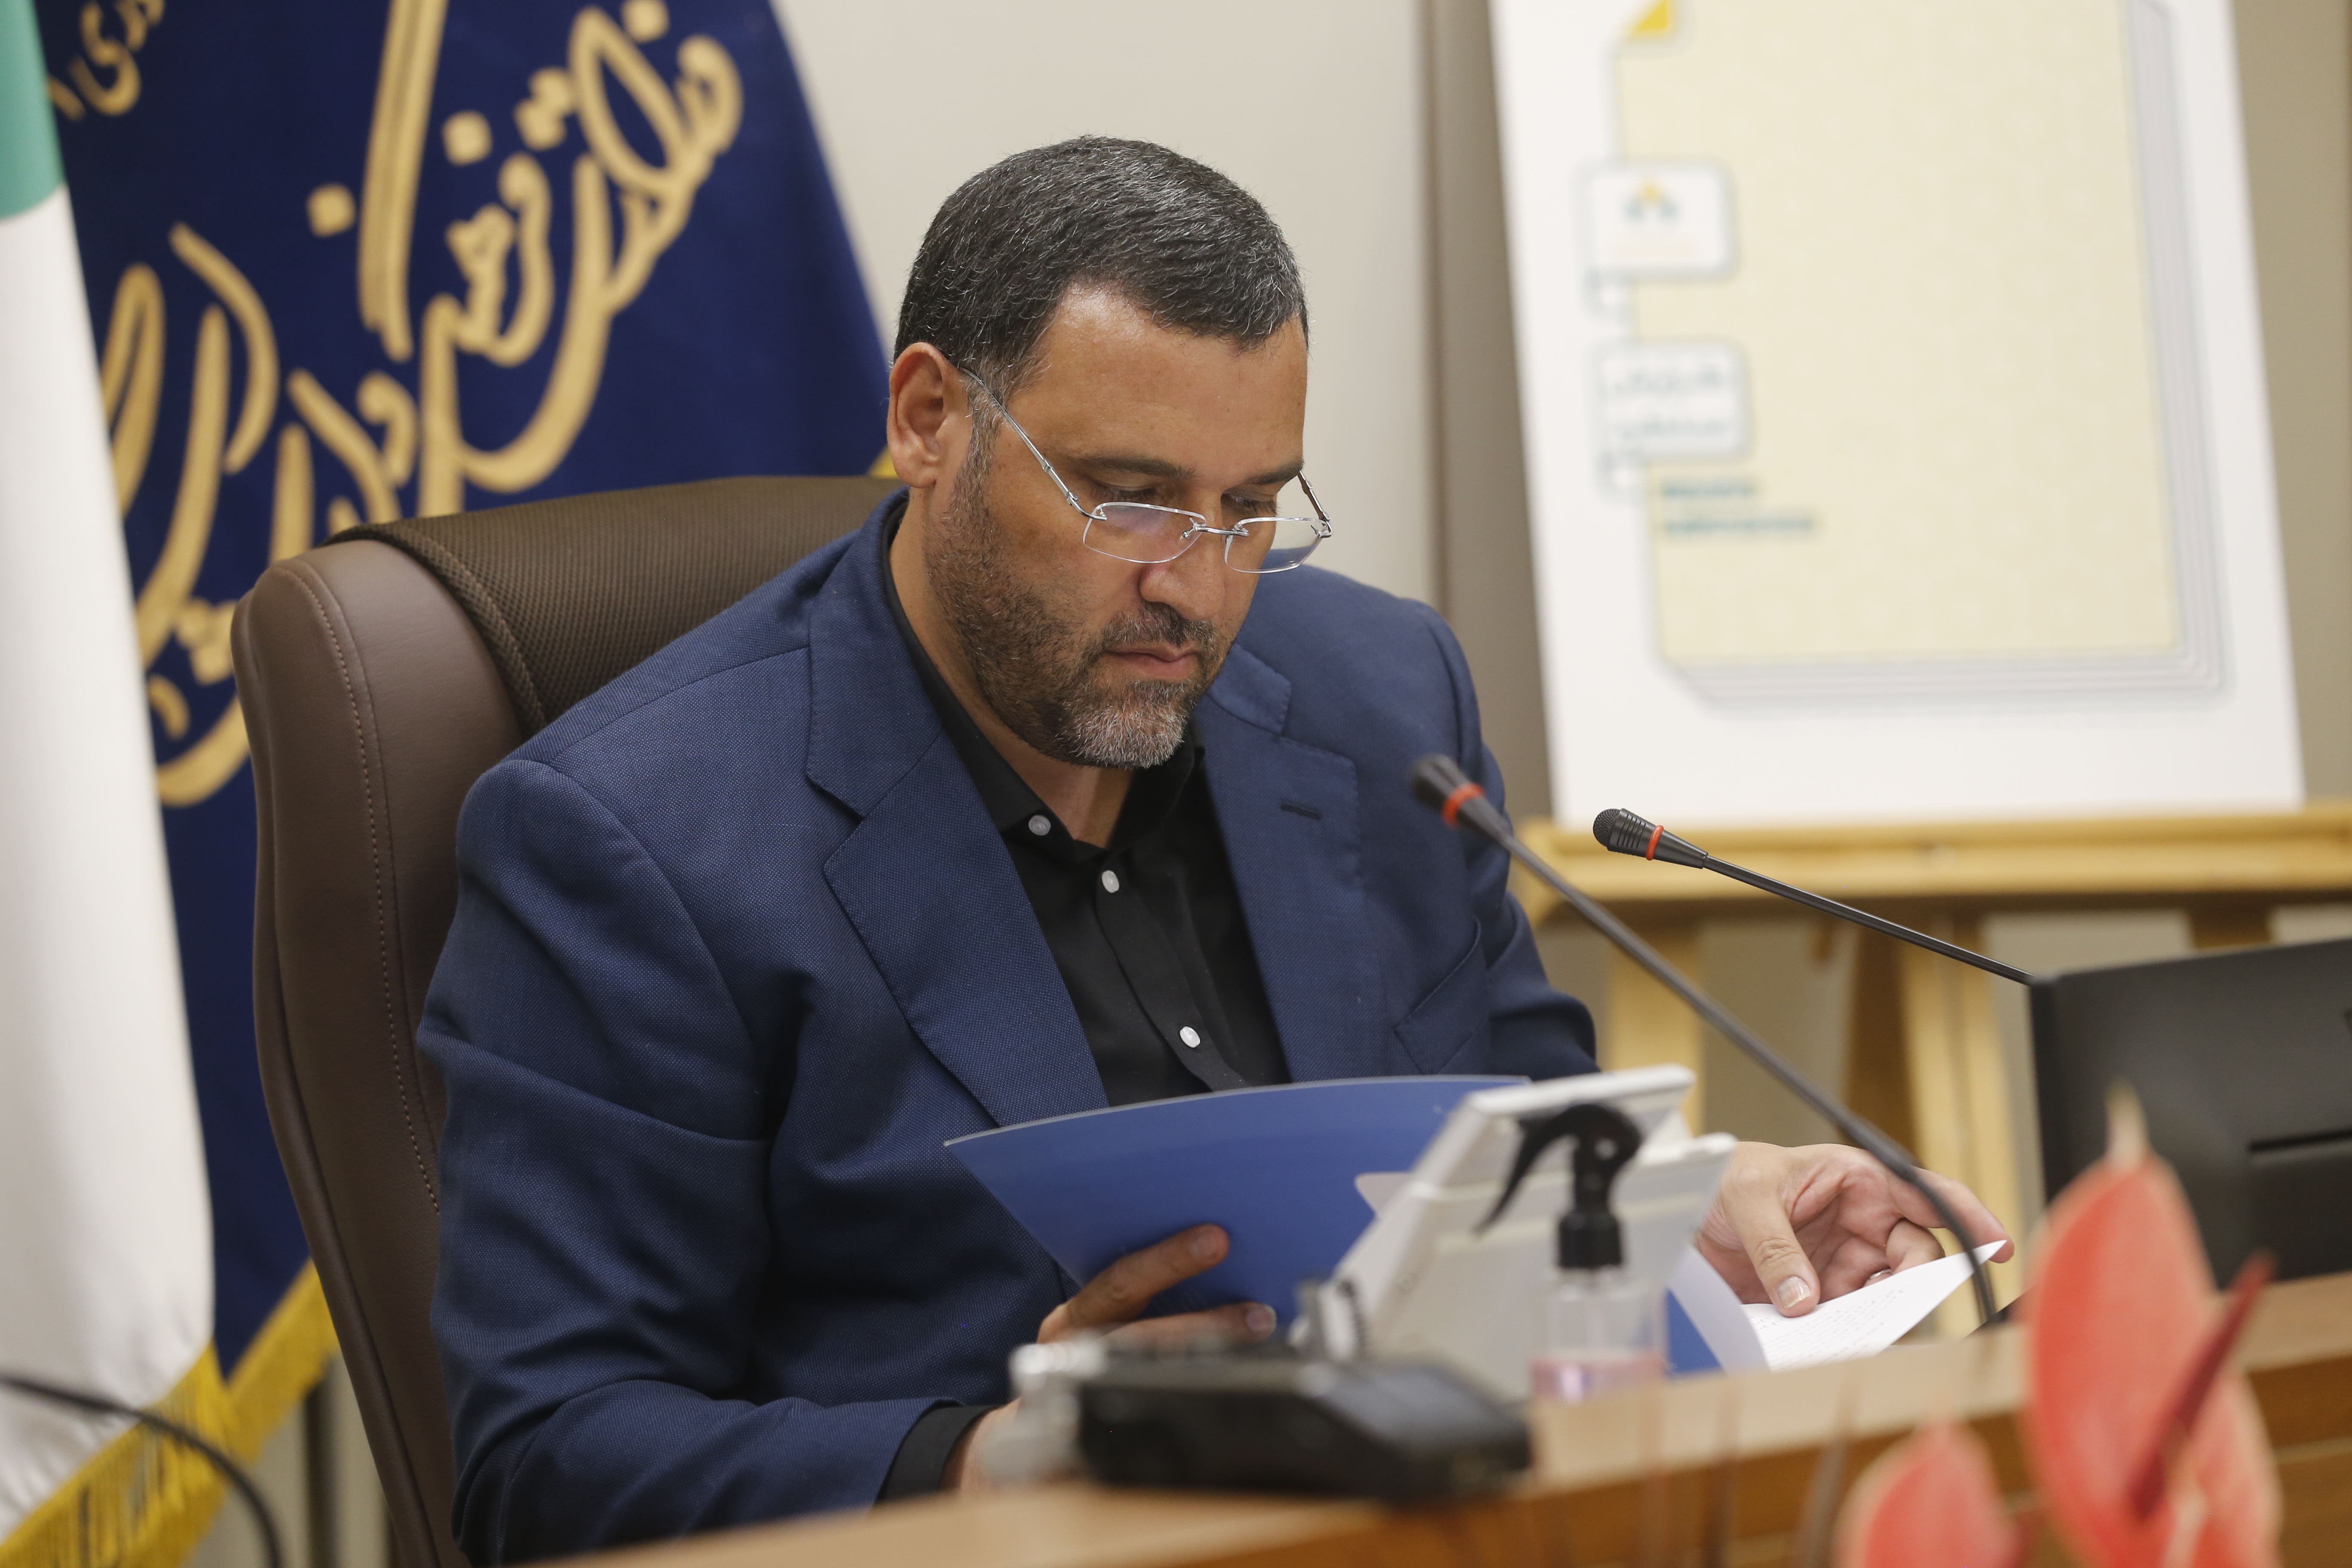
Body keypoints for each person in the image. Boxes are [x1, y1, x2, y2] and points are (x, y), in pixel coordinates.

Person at [421, 137, 2009, 1562]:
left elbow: (1523, 1123)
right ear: (928, 421)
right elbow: (549, 1463)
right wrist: (987, 1459)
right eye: (1129, 500)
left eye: (1250, 508)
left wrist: (1683, 1209)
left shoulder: (1382, 702)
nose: (1197, 585)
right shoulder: (634, 840)